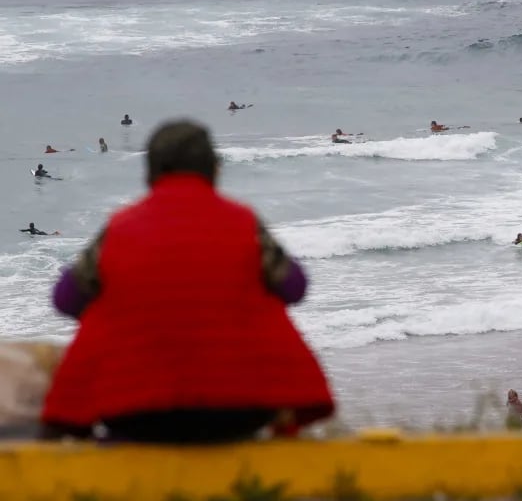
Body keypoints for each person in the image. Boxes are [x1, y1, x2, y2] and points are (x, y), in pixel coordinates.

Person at [42, 120, 335, 443]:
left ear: (149, 173)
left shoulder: (120, 229)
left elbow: (66, 299)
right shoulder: (242, 223)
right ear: (215, 169)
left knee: (104, 306)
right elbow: (294, 288)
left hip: (133, 413)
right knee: (261, 300)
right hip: (242, 411)